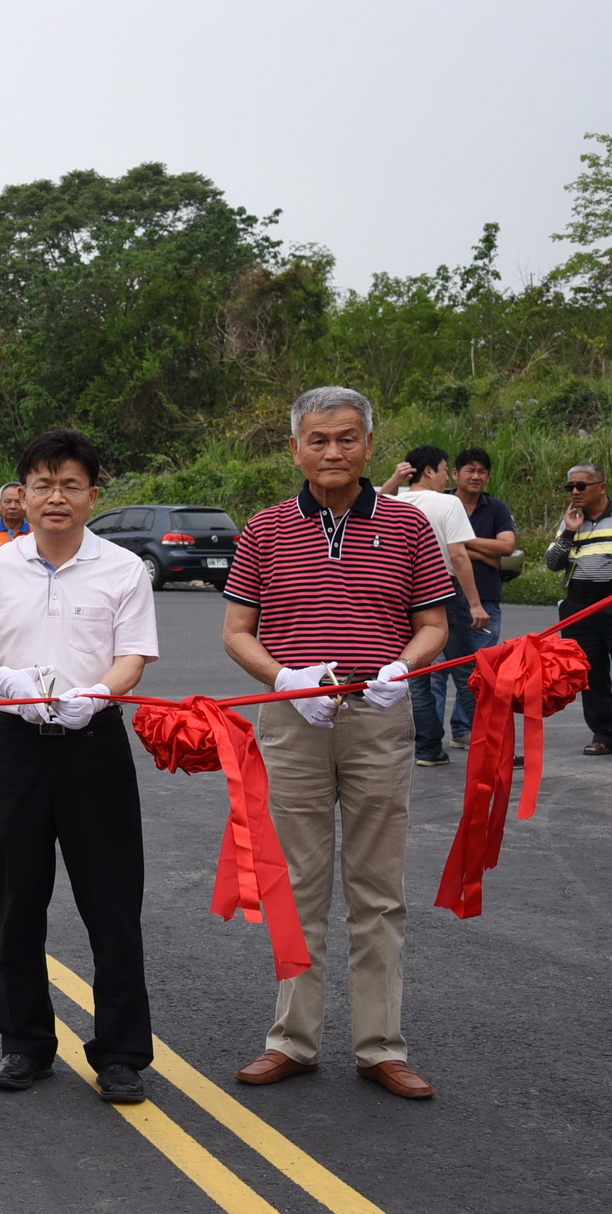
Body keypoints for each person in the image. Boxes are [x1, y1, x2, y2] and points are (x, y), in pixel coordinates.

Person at [222, 386, 452, 1100]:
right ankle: (292, 1040)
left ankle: (381, 1045)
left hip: (379, 717)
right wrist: (285, 678)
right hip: (294, 721)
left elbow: (434, 625)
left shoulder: (410, 527)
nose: (332, 451)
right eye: (318, 439)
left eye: (347, 438)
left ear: (370, 445)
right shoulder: (264, 529)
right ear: (295, 448)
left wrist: (401, 668)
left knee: (378, 888)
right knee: (297, 883)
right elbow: (237, 632)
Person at [0, 429, 159, 1104]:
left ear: (92, 495)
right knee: (18, 901)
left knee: (112, 903)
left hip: (94, 745)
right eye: (43, 484)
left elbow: (133, 656)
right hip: (17, 748)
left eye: (70, 484)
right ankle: (25, 1044)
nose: (56, 497)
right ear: (23, 494)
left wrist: (96, 694)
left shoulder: (123, 568)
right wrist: (4, 679)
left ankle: (121, 1053)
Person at [382, 446, 486, 767]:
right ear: (429, 470)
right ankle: (488, 745)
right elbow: (458, 555)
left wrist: (393, 481)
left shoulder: (392, 503)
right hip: (443, 590)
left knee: (416, 674)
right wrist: (475, 603)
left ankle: (427, 747)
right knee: (467, 670)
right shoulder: (447, 502)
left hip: (402, 594)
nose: (446, 479)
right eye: (443, 470)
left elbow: (374, 500)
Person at [445, 448, 517, 748]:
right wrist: (481, 553)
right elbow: (440, 546)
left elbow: (507, 546)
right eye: (470, 470)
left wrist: (460, 542)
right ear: (455, 474)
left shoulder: (496, 508)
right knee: (435, 673)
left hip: (486, 598)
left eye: (482, 471)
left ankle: (465, 730)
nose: (476, 476)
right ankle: (428, 739)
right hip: (444, 597)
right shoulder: (443, 502)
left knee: (480, 669)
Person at [545, 463, 612, 755]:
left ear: (602, 487)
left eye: (581, 486)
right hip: (580, 608)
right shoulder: (572, 520)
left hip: (609, 601)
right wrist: (568, 533)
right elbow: (552, 563)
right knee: (590, 673)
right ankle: (604, 733)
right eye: (569, 487)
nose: (574, 492)